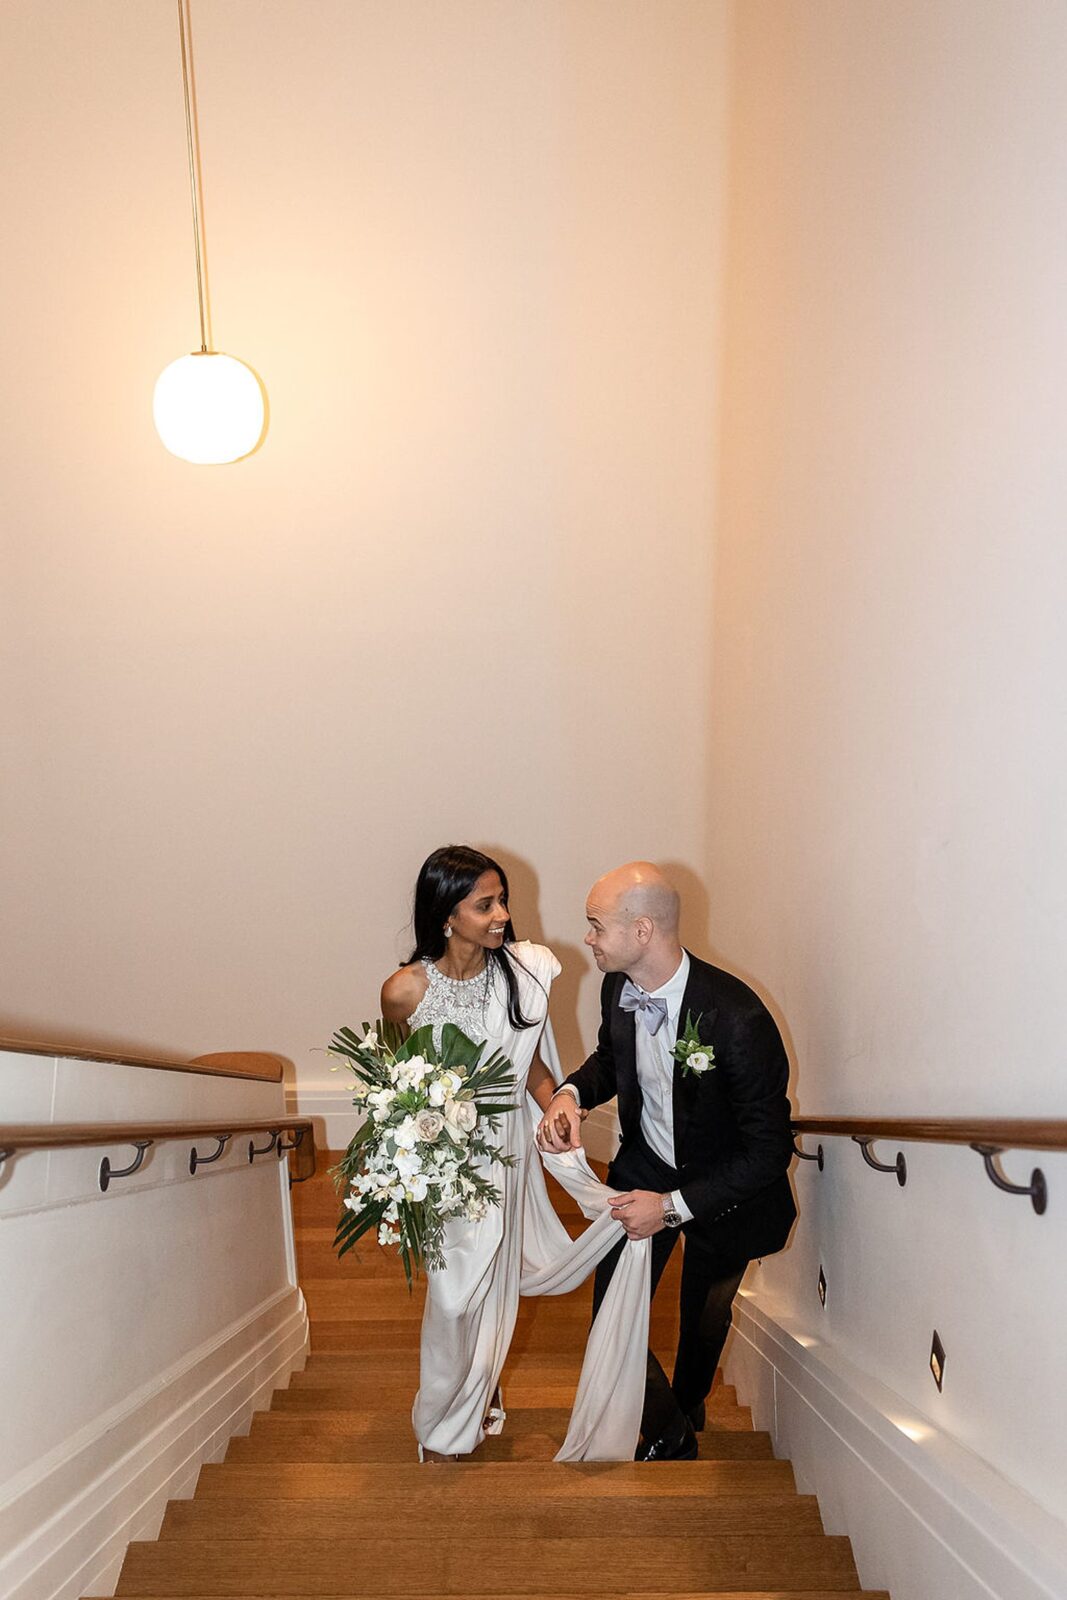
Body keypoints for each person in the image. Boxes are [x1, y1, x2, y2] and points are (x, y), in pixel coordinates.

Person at [538, 861, 796, 1461]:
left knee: (705, 1318)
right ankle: (668, 1431)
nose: (589, 939)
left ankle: (688, 1404)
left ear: (643, 930)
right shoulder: (616, 986)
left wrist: (674, 1208)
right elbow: (609, 1059)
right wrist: (570, 1095)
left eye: (596, 926)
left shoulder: (739, 1018)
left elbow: (768, 1150)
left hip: (725, 1186)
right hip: (646, 1164)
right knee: (612, 1308)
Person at [380, 845, 565, 1462]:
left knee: (490, 1288)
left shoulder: (522, 973)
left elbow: (531, 1068)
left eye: (502, 900)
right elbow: (390, 1081)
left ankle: (471, 1401)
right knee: (453, 1294)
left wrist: (558, 1103)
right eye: (485, 904)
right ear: (445, 914)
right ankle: (441, 1406)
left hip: (504, 1153)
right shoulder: (403, 992)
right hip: (444, 1163)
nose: (502, 916)